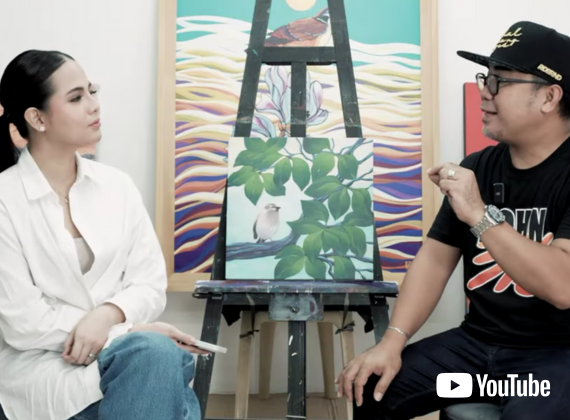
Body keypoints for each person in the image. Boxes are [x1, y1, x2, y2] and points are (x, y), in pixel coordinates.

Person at [336, 21, 570, 419]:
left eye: (500, 81)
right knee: (373, 389)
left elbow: (563, 286)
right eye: (485, 78)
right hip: (475, 353)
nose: (485, 91)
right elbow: (434, 260)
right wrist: (392, 341)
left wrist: (479, 214)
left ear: (549, 96)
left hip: (552, 357)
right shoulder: (479, 166)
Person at [0, 50, 208, 420]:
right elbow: (23, 322)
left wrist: (109, 315)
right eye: (76, 97)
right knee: (161, 360)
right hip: (42, 371)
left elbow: (149, 284)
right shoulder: (5, 199)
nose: (94, 105)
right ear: (37, 118)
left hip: (122, 361)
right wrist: (126, 331)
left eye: (92, 91)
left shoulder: (117, 186)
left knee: (158, 359)